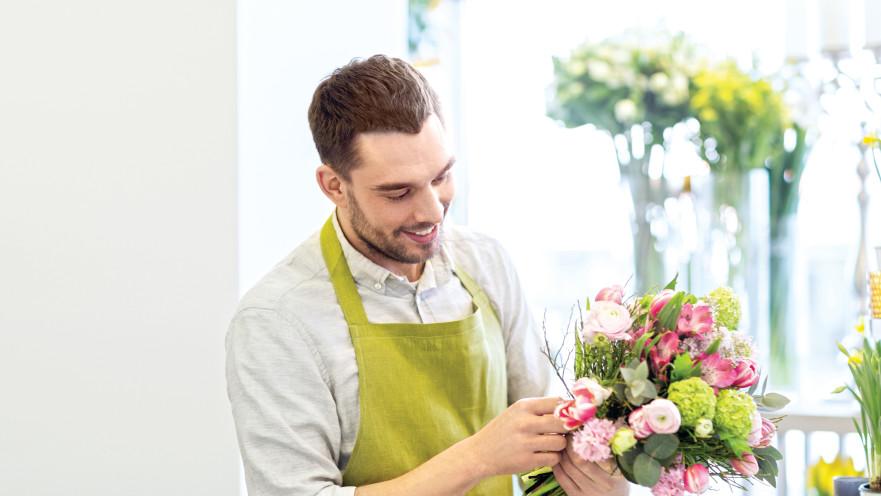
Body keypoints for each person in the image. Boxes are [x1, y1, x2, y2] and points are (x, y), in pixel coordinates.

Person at [225, 54, 630, 496]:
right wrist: (478, 458)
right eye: (398, 192)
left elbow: (543, 454)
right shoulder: (277, 320)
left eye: (441, 176)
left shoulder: (485, 262)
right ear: (334, 186)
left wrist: (598, 484)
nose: (432, 211)